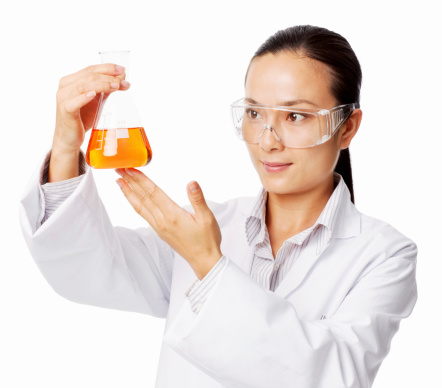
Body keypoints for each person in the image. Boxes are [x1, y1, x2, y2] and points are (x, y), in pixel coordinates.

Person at [19, 25, 417, 388]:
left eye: (295, 115)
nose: (267, 140)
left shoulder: (384, 255)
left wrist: (210, 265)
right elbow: (84, 270)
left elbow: (332, 376)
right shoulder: (207, 227)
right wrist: (67, 144)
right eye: (255, 113)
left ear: (346, 127)